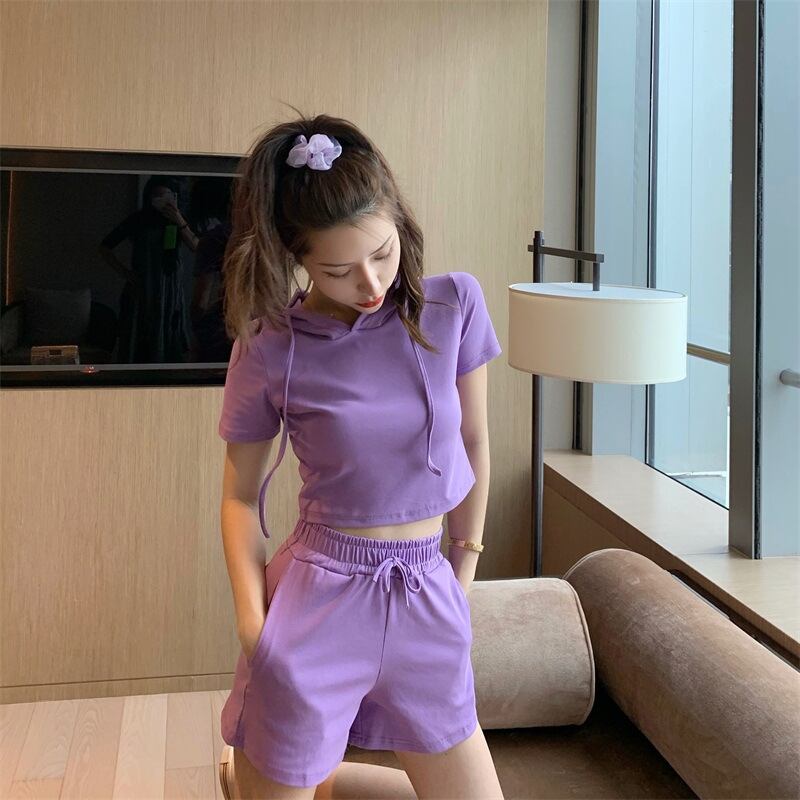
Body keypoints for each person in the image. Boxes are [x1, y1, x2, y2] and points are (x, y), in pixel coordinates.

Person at [217, 107, 504, 800]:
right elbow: (239, 497)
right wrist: (255, 629)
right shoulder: (271, 344)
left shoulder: (454, 306)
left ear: (398, 220)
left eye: (382, 254)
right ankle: (249, 771)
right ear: (299, 258)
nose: (371, 285)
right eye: (339, 270)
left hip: (428, 589)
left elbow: (473, 441)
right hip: (317, 601)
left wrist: (462, 571)